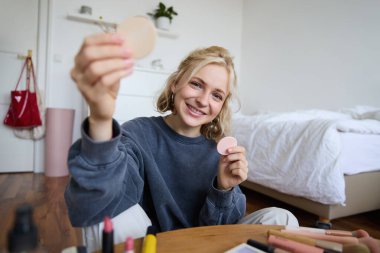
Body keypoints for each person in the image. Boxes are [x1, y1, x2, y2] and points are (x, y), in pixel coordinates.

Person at [65, 33, 299, 251]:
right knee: (108, 212)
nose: (203, 100)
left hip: (204, 245)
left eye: (217, 95)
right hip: (154, 246)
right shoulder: (138, 132)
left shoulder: (220, 153)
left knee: (283, 219)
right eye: (196, 84)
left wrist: (224, 188)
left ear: (221, 107)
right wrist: (101, 118)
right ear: (176, 83)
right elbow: (96, 200)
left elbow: (220, 233)